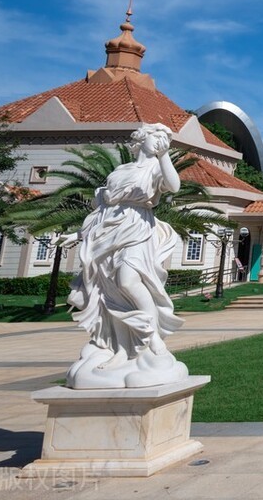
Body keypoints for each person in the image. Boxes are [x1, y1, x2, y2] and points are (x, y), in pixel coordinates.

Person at [57, 123, 190, 388]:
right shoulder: (121, 171)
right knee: (110, 290)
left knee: (129, 280)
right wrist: (79, 235)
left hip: (137, 228)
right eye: (157, 137)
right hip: (108, 232)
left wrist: (165, 157)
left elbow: (173, 186)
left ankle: (151, 338)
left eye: (165, 139)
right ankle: (121, 347)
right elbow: (102, 210)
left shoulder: (158, 168)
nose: (161, 141)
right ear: (142, 139)